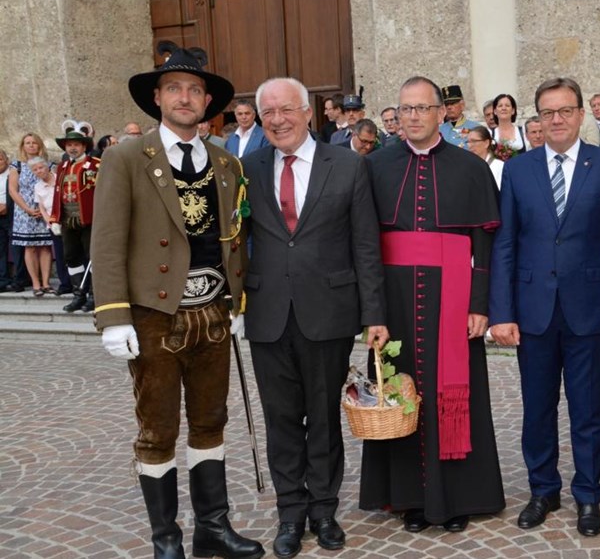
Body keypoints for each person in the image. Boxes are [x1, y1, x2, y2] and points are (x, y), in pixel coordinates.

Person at [90, 44, 264, 559]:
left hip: (212, 313)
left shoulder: (226, 162)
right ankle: (166, 538)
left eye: (194, 90)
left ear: (207, 100)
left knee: (211, 421)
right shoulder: (126, 158)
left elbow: (234, 237)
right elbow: (108, 239)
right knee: (158, 428)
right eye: (174, 89)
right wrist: (112, 316)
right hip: (152, 317)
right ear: (157, 98)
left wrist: (237, 305)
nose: (185, 97)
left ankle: (213, 528)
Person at [241, 77, 388, 558]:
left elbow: (365, 245)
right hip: (266, 315)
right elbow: (233, 241)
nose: (278, 120)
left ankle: (324, 510)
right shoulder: (247, 167)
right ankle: (290, 513)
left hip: (328, 313)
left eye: (286, 110)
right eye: (268, 114)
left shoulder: (347, 165)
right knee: (280, 418)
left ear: (309, 113)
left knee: (323, 417)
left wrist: (374, 316)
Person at [490, 77, 600, 537]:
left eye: (565, 110)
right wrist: (502, 312)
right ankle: (543, 489)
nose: (556, 119)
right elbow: (506, 245)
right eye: (547, 112)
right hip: (532, 309)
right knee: (536, 408)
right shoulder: (518, 169)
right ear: (537, 117)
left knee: (588, 409)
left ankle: (589, 495)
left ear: (579, 115)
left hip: (590, 310)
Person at [360, 76, 506, 534]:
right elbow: (365, 245)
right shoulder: (376, 166)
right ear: (397, 115)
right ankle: (409, 498)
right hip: (395, 299)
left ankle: (459, 495)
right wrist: (372, 313)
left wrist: (480, 304)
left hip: (454, 296)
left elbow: (485, 244)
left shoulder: (471, 167)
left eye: (423, 108)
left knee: (453, 391)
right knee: (399, 388)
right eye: (406, 109)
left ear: (442, 112)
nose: (414, 117)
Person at [51, 130, 100, 312]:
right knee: (71, 257)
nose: (72, 148)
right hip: (68, 220)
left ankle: (95, 296)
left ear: (84, 146)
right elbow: (57, 194)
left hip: (89, 220)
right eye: (69, 145)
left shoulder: (96, 165)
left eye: (76, 145)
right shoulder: (62, 167)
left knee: (92, 257)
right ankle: (79, 294)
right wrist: (55, 218)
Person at [9, 133, 53, 296]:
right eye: (27, 143)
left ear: (39, 145)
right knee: (30, 247)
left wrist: (44, 210)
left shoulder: (49, 164)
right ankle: (35, 283)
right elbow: (13, 190)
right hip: (24, 211)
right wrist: (27, 208)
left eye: (34, 142)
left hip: (45, 210)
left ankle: (46, 283)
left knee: (45, 246)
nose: (31, 145)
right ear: (23, 146)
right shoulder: (17, 165)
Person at [23, 158, 55, 295]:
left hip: (65, 220)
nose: (39, 171)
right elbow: (41, 206)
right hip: (51, 223)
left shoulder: (58, 178)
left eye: (41, 168)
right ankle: (38, 285)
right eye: (35, 170)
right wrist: (49, 221)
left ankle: (64, 284)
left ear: (47, 166)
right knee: (31, 248)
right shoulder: (38, 186)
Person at [439, 85, 479, 149]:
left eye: (453, 103)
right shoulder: (439, 131)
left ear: (462, 105)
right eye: (446, 104)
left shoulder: (476, 128)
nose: (449, 107)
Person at [0, 150, 14, 292]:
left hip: (11, 215)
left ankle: (21, 278)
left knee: (17, 248)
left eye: (0, 159)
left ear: (6, 160)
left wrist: (6, 206)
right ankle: (3, 280)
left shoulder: (12, 174)